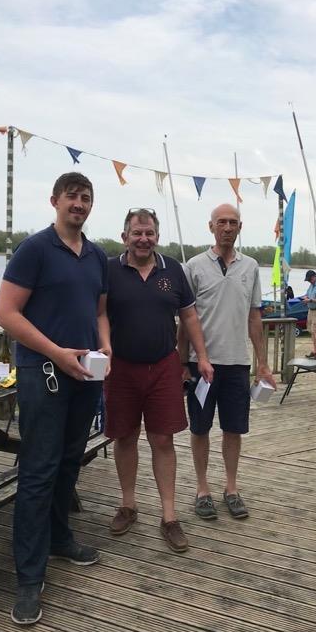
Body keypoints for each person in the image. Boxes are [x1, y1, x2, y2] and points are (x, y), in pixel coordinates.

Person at [0, 172, 111, 626]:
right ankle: (28, 576)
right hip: (43, 372)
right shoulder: (35, 249)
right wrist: (56, 353)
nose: (78, 204)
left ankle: (60, 538)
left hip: (86, 374)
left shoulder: (97, 255)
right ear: (54, 201)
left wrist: (106, 346)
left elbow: (100, 312)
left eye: (86, 198)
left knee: (68, 461)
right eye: (72, 197)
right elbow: (6, 313)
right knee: (38, 469)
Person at [105, 208, 213, 553]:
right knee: (124, 437)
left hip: (163, 365)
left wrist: (203, 357)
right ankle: (128, 504)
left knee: (162, 439)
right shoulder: (109, 270)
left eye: (149, 233)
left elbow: (190, 316)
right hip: (119, 367)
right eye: (137, 233)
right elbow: (96, 313)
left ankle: (169, 516)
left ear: (157, 236)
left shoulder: (173, 270)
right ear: (125, 237)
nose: (143, 239)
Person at [178, 203, 276, 521]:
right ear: (211, 227)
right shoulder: (193, 267)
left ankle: (231, 489)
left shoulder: (250, 267)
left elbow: (254, 317)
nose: (228, 227)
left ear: (240, 227)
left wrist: (262, 363)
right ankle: (202, 490)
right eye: (222, 222)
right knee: (201, 428)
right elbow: (184, 319)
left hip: (236, 363)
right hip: (200, 365)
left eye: (233, 222)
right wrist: (181, 362)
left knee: (234, 429)